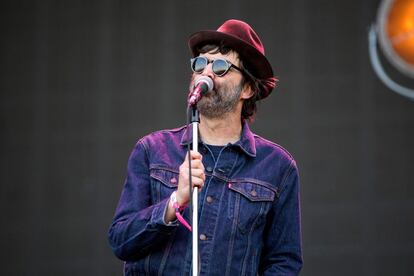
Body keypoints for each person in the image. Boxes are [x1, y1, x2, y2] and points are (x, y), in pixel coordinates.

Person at [108, 19, 303, 275]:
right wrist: (175, 202)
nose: (206, 73)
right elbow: (121, 241)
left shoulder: (278, 167)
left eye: (221, 66)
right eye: (200, 64)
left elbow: (284, 263)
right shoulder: (151, 150)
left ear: (247, 88)